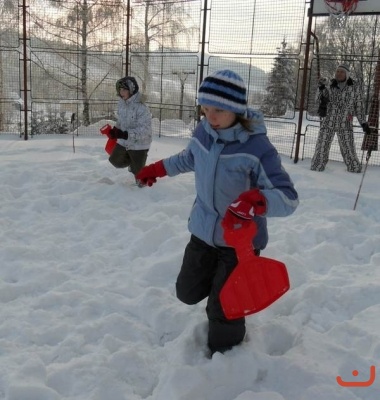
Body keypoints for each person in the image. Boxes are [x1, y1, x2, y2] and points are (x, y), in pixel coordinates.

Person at [136, 70, 299, 356]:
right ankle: (218, 291)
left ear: (236, 110)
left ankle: (226, 356)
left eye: (219, 109)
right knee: (186, 292)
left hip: (239, 245)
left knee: (225, 307)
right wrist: (158, 169)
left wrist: (255, 200)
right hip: (202, 232)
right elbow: (189, 158)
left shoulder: (256, 148)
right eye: (205, 108)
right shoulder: (204, 133)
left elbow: (288, 197)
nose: (210, 116)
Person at [311, 64, 370, 173]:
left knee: (348, 148)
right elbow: (317, 100)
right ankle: (316, 167)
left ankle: (354, 168)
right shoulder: (330, 85)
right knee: (322, 146)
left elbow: (359, 106)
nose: (339, 73)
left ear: (347, 74)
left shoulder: (354, 87)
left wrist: (363, 123)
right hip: (329, 121)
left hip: (345, 122)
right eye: (337, 71)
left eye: (341, 72)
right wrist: (321, 88)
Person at [108, 76, 152, 187]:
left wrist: (125, 134)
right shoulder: (122, 103)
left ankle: (138, 167)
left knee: (141, 181)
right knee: (115, 161)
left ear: (132, 90)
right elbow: (121, 120)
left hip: (139, 144)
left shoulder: (142, 107)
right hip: (124, 141)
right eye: (120, 90)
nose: (121, 92)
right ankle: (133, 163)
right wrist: (115, 130)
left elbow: (145, 130)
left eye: (124, 89)